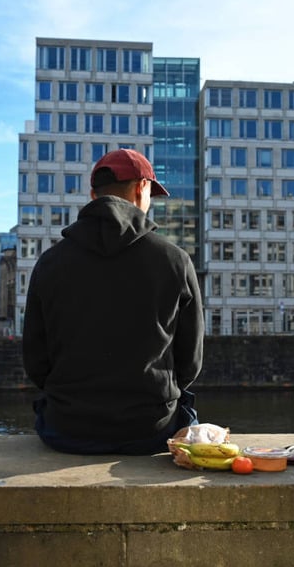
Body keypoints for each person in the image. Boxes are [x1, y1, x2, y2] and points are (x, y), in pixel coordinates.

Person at [23, 148, 204, 455]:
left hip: (66, 429)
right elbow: (191, 363)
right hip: (151, 430)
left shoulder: (49, 263)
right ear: (141, 187)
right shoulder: (175, 260)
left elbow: (35, 360)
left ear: (94, 195)